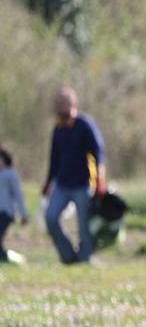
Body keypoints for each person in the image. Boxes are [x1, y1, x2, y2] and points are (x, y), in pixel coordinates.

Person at [42, 87, 105, 265]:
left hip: (83, 184)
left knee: (84, 225)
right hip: (62, 184)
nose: (59, 108)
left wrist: (100, 180)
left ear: (73, 104)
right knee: (50, 218)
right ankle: (68, 256)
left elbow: (99, 153)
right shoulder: (58, 129)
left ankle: (85, 258)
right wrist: (48, 182)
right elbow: (54, 159)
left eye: (63, 104)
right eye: (57, 104)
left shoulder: (85, 125)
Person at [0, 148, 30, 263]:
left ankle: (6, 259)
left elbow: (18, 195)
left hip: (6, 212)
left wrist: (24, 214)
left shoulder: (11, 174)